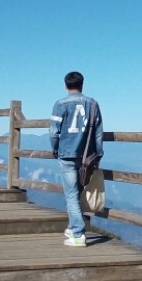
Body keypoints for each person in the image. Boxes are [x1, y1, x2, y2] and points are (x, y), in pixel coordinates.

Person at [49, 71, 103, 247]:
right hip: (87, 156)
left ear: (66, 86)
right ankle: (73, 227)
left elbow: (53, 131)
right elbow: (98, 133)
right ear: (82, 84)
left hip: (67, 153)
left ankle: (79, 234)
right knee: (77, 192)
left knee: (71, 195)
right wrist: (98, 155)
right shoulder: (93, 104)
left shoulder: (60, 104)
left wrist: (55, 149)